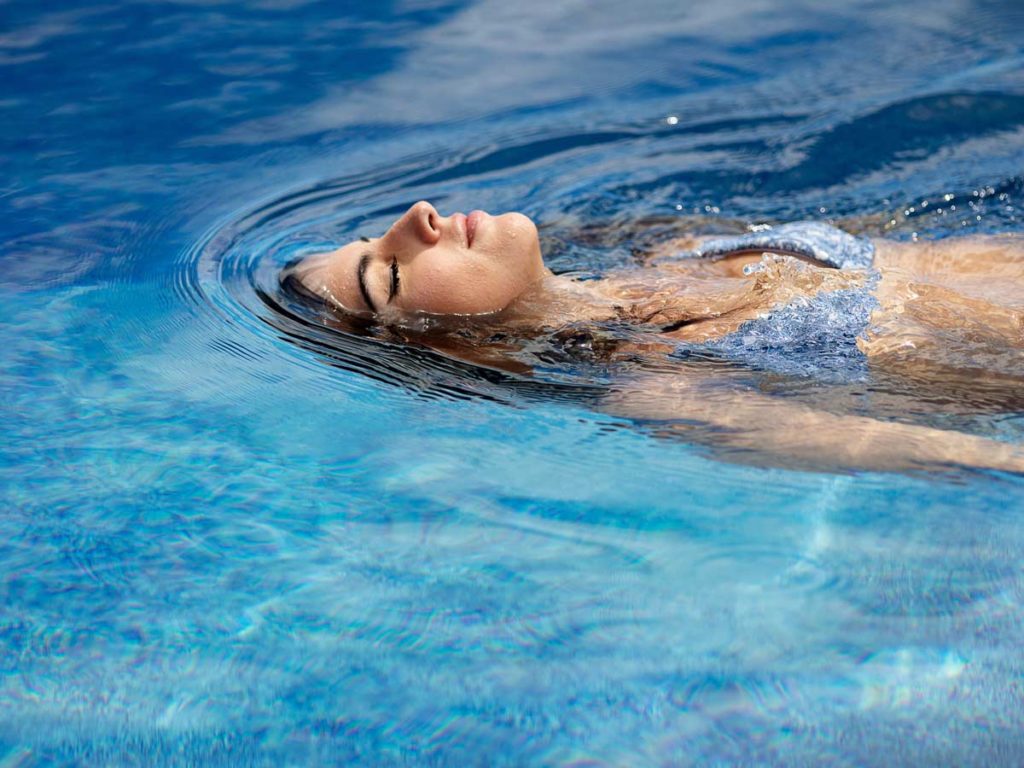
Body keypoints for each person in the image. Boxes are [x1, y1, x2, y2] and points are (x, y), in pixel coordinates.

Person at [282, 201, 1024, 474]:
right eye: (388, 277)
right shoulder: (663, 384)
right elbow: (941, 451)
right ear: (448, 346)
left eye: (375, 235)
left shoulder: (667, 249)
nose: (417, 218)